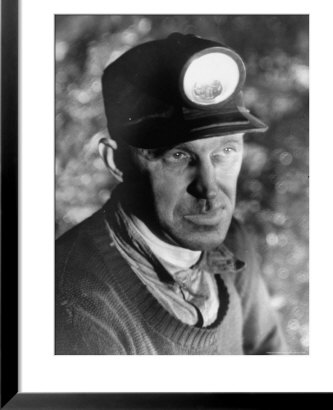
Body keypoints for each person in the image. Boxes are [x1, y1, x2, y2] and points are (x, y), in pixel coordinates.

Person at [55, 33, 287, 355]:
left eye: (226, 151)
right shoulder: (78, 307)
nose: (208, 187)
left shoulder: (232, 241)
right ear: (117, 161)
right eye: (178, 156)